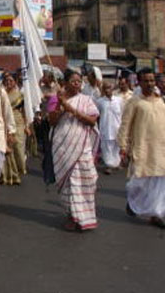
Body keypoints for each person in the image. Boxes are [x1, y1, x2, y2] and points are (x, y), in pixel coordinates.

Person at [119, 69, 165, 231]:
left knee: (164, 180)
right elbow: (125, 125)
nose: (150, 84)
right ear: (139, 82)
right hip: (143, 147)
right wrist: (123, 147)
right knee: (141, 181)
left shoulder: (163, 101)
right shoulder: (135, 102)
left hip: (163, 148)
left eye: (152, 80)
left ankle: (157, 214)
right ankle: (134, 202)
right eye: (146, 81)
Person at [48, 69, 100, 231]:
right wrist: (60, 106)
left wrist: (70, 108)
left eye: (79, 81)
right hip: (63, 145)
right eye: (73, 81)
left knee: (87, 179)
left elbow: (92, 121)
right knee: (69, 182)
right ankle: (72, 215)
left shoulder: (86, 100)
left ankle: (85, 215)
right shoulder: (57, 99)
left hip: (82, 146)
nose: (77, 84)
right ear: (65, 83)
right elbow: (52, 121)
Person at [0, 72, 28, 185]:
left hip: (18, 122)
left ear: (15, 82)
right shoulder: (1, 95)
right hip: (4, 122)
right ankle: (8, 175)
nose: (8, 83)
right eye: (6, 81)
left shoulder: (20, 96)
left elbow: (25, 112)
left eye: (11, 81)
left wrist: (27, 126)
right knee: (6, 148)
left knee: (18, 148)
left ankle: (18, 171)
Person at [96, 82, 124, 174]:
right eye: (105, 88)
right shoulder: (100, 101)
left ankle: (116, 163)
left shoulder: (119, 100)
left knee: (116, 147)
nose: (108, 90)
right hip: (105, 127)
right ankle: (109, 165)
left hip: (117, 127)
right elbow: (97, 115)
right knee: (106, 147)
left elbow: (123, 113)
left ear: (112, 89)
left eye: (109, 88)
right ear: (103, 90)